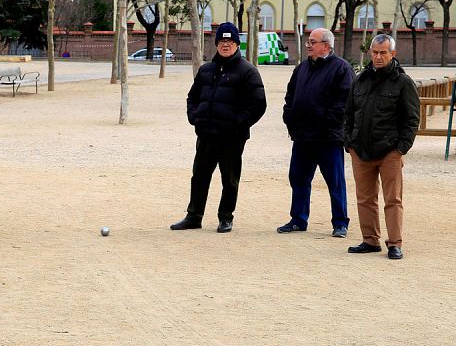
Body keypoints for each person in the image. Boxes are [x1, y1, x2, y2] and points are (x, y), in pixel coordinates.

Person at [170, 22, 266, 233]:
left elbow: (258, 104)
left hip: (232, 138)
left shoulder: (248, 71)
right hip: (206, 135)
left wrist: (237, 124)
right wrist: (195, 117)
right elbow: (192, 97)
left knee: (229, 179)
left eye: (230, 41)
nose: (225, 45)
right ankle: (194, 216)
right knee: (199, 176)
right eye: (222, 41)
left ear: (236, 44)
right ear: (216, 44)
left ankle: (225, 217)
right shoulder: (206, 70)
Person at [344, 34, 420, 260]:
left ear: (393, 54)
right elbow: (348, 113)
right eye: (375, 52)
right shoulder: (360, 79)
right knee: (364, 198)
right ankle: (370, 240)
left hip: (390, 151)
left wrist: (400, 149)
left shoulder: (403, 82)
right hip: (361, 149)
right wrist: (349, 143)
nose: (378, 57)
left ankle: (394, 243)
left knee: (393, 199)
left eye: (383, 53)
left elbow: (412, 119)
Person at [277, 28, 354, 237]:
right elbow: (290, 97)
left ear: (326, 46)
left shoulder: (342, 69)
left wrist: (327, 125)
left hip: (327, 138)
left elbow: (343, 103)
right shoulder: (301, 68)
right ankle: (298, 219)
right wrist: (290, 119)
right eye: (308, 42)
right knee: (298, 179)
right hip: (302, 138)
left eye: (312, 42)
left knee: (335, 182)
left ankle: (340, 222)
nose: (308, 45)